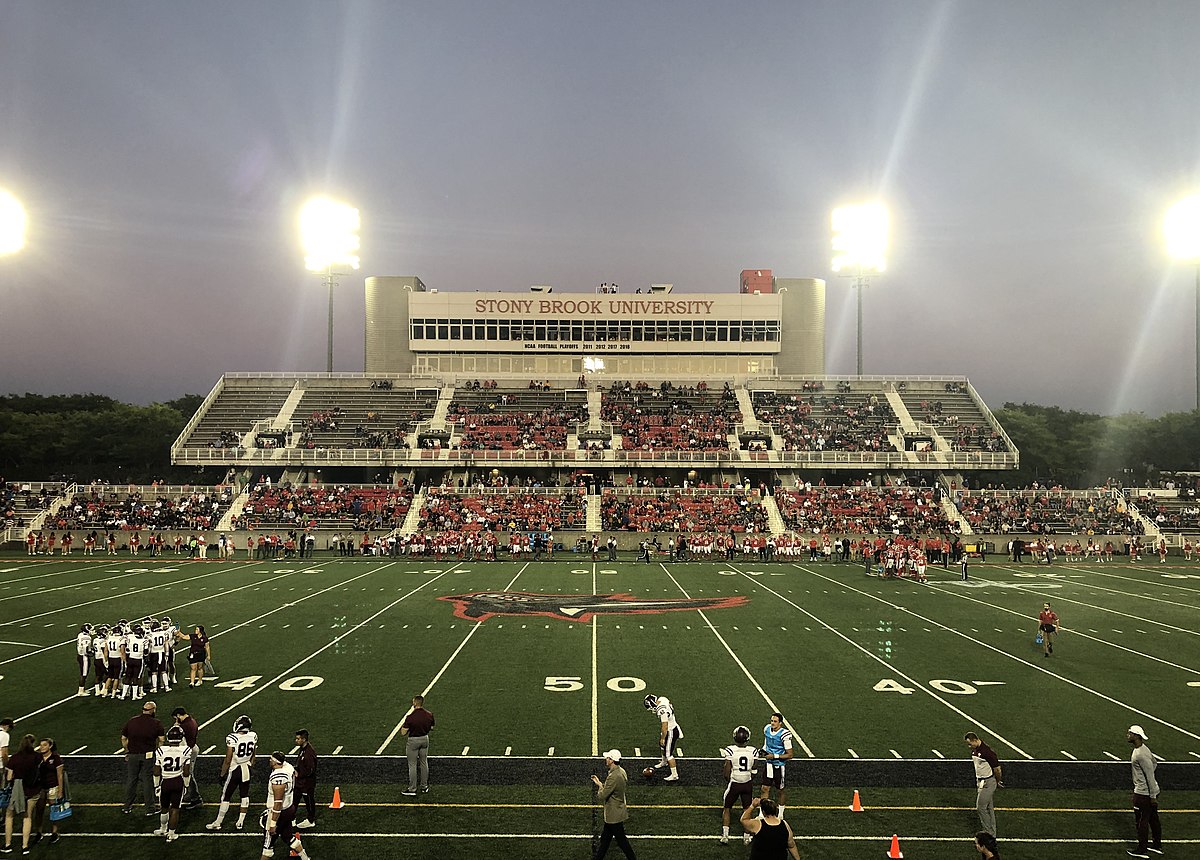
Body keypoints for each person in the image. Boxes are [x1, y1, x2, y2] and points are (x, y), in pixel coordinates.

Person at [206, 714, 257, 831]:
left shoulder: (233, 738)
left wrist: (222, 774)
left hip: (235, 769)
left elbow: (228, 759)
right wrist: (250, 765)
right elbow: (254, 754)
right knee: (244, 795)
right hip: (246, 768)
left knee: (226, 796)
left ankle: (218, 822)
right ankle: (240, 822)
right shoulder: (253, 736)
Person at [261, 751, 309, 860]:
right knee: (288, 836)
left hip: (280, 812)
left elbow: (278, 802)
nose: (269, 761)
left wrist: (273, 823)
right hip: (289, 808)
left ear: (275, 762)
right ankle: (305, 858)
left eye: (271, 759)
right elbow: (295, 774)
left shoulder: (278, 777)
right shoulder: (288, 767)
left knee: (267, 846)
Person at [121, 700, 165, 816]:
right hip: (148, 755)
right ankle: (150, 808)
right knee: (147, 781)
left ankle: (127, 806)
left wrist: (127, 751)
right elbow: (161, 740)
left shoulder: (132, 721)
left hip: (133, 755)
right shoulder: (156, 723)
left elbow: (123, 738)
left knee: (131, 779)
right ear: (152, 710)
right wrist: (158, 752)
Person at [591, 749, 636, 859]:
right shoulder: (621, 771)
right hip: (617, 811)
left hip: (613, 814)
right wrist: (601, 784)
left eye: (608, 758)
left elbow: (602, 796)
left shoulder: (614, 776)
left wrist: (600, 786)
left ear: (611, 760)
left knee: (622, 842)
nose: (606, 759)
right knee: (605, 840)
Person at [1127, 725, 1162, 858]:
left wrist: (1152, 796)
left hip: (1143, 793)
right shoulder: (1144, 749)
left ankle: (1142, 849)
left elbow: (1150, 775)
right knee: (1153, 819)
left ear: (1136, 736)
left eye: (1130, 733)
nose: (1128, 735)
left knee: (1141, 820)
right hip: (1148, 791)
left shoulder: (1140, 754)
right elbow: (1154, 763)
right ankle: (1157, 846)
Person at [720, 725, 759, 845]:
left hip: (735, 783)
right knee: (748, 810)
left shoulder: (730, 750)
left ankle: (725, 835)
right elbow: (755, 767)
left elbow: (727, 771)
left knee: (727, 808)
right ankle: (746, 837)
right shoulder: (753, 750)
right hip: (747, 783)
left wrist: (730, 779)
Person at [3, 734, 39, 855]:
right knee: (27, 816)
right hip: (32, 790)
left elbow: (8, 777)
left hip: (17, 791)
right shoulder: (37, 757)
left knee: (9, 815)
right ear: (33, 744)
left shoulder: (15, 758)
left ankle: (7, 844)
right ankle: (25, 846)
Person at [153, 726, 190, 842]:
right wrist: (186, 785)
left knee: (164, 807)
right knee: (175, 809)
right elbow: (186, 771)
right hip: (177, 781)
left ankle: (163, 828)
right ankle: (171, 834)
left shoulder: (161, 750)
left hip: (165, 781)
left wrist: (156, 785)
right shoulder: (185, 750)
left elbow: (156, 770)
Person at [965, 732, 1002, 836]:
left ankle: (988, 833)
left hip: (988, 782)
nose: (969, 746)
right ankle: (992, 833)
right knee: (989, 808)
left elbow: (997, 769)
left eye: (970, 744)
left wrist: (997, 781)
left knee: (981, 807)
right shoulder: (976, 750)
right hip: (981, 781)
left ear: (975, 740)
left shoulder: (987, 752)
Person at [760, 712, 793, 817]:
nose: (772, 723)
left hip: (779, 765)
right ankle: (762, 813)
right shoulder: (767, 729)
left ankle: (781, 814)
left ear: (780, 723)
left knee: (780, 790)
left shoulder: (784, 735)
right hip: (769, 764)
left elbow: (790, 755)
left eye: (775, 721)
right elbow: (767, 742)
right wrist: (763, 751)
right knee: (765, 788)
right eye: (771, 721)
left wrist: (774, 756)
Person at [400, 695, 434, 797]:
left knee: (412, 765)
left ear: (415, 703)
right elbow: (431, 727)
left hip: (413, 740)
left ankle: (412, 789)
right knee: (424, 763)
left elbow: (403, 732)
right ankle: (424, 786)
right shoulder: (429, 714)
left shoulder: (410, 717)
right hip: (424, 739)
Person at [170, 706, 203, 809]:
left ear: (179, 715)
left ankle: (196, 798)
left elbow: (175, 736)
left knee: (188, 774)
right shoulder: (191, 721)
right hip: (192, 748)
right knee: (188, 774)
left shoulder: (184, 726)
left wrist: (176, 725)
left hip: (188, 751)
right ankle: (190, 795)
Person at [644, 694, 682, 781]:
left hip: (671, 731)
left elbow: (665, 725)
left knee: (668, 754)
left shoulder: (661, 710)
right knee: (662, 746)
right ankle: (664, 762)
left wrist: (663, 738)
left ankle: (674, 775)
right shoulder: (663, 699)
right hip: (672, 727)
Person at [293, 729, 318, 829]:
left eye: (298, 739)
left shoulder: (309, 753)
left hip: (307, 783)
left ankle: (311, 820)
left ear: (304, 739)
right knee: (294, 800)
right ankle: (291, 819)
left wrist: (298, 774)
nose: (296, 740)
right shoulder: (303, 749)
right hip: (300, 782)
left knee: (309, 801)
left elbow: (311, 770)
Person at [75, 624, 93, 697]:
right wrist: (91, 653)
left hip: (80, 655)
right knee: (84, 674)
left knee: (84, 673)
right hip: (84, 657)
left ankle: (82, 689)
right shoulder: (87, 638)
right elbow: (85, 649)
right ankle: (80, 691)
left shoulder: (80, 634)